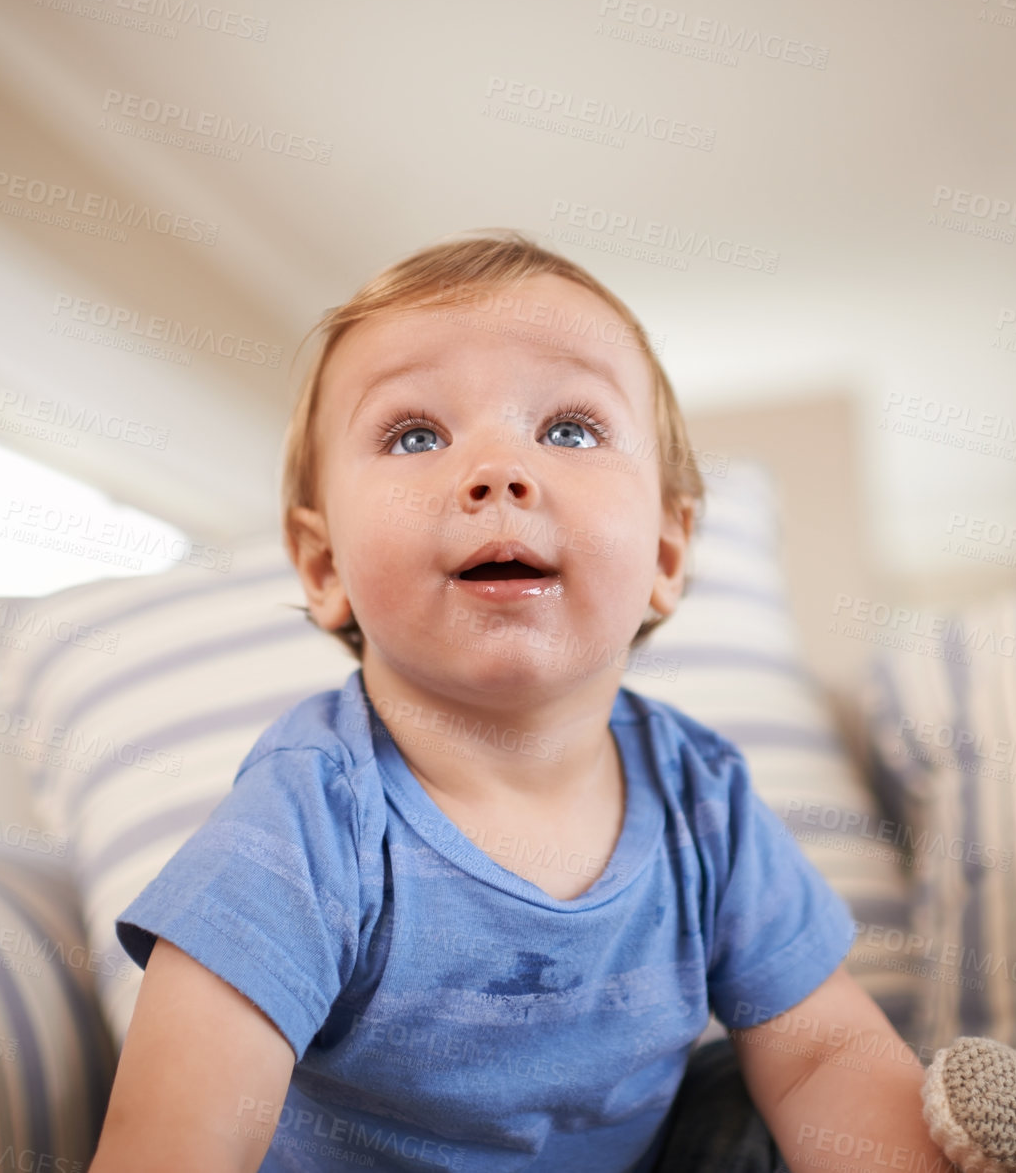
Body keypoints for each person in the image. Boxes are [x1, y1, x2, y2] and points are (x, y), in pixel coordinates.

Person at [88, 230, 954, 1173]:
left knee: (757, 1092)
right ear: (325, 563)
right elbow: (173, 1140)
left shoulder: (703, 798)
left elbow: (827, 1052)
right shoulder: (312, 816)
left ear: (667, 554)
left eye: (570, 430)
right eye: (416, 434)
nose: (499, 473)